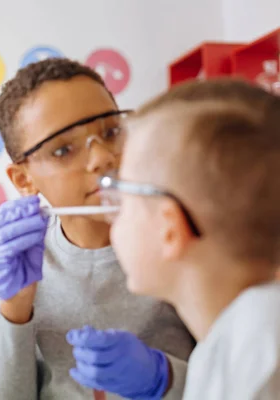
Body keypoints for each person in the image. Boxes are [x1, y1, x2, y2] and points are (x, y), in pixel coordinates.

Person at [0, 58, 195, 400]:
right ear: (24, 179)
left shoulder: (183, 238)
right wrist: (14, 309)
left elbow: (246, 381)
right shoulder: (24, 263)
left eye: (110, 132)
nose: (101, 158)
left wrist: (165, 378)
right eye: (63, 150)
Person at [97, 79, 280, 399]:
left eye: (121, 198)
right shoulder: (229, 344)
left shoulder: (258, 351)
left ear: (169, 229)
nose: (111, 214)